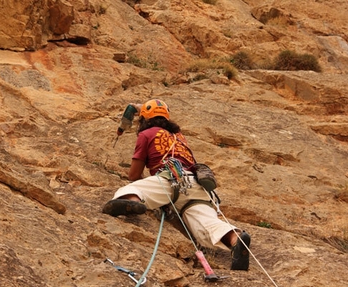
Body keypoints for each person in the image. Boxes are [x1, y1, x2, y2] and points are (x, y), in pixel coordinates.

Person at [102, 99, 250, 270]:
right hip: (197, 185)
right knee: (207, 226)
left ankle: (133, 202)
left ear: (144, 119)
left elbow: (134, 175)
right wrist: (141, 108)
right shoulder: (179, 136)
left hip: (168, 179)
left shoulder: (147, 134)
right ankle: (235, 239)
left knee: (131, 189)